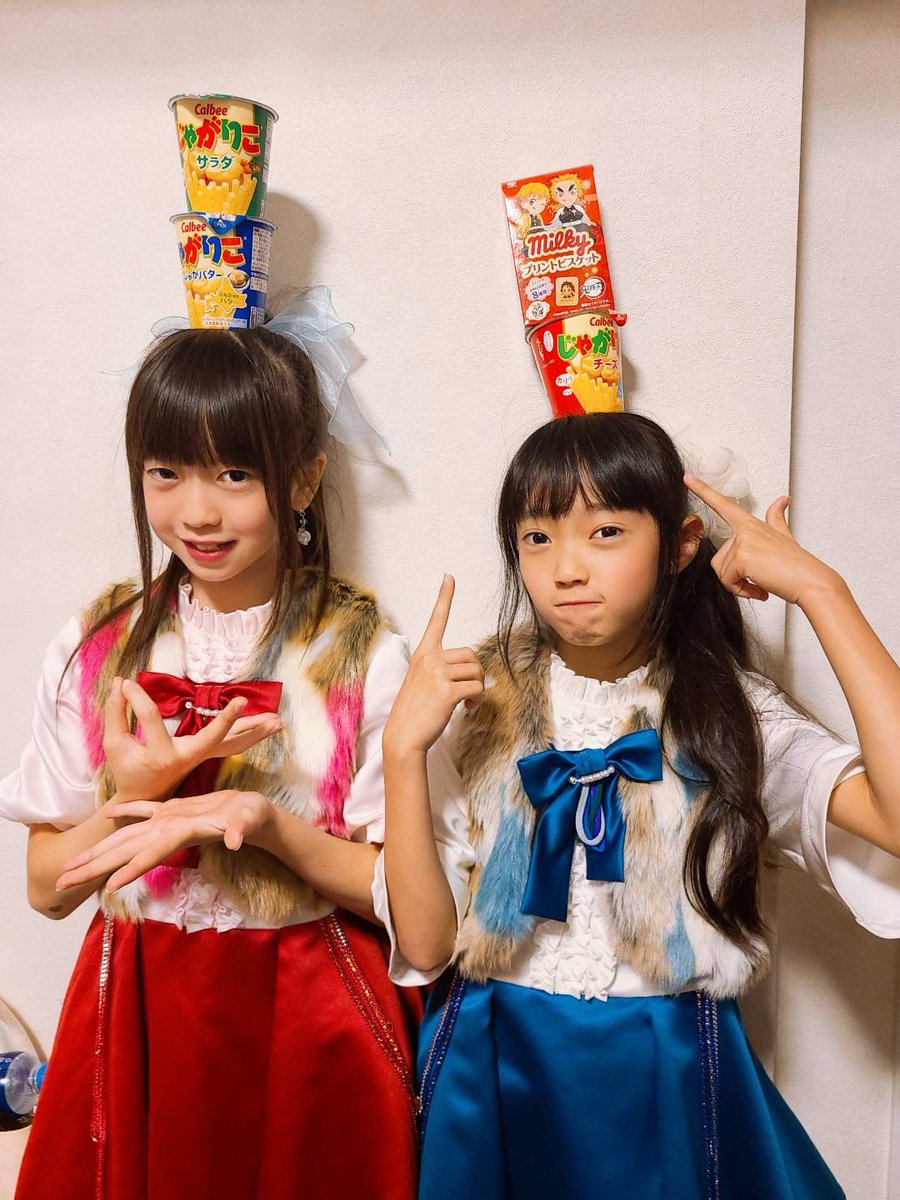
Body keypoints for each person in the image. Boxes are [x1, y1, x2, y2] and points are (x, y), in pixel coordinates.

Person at [380, 411, 900, 1200]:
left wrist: (823, 593)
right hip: (494, 1068)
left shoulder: (731, 716)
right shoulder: (472, 702)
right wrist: (401, 751)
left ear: (682, 544)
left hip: (667, 1070)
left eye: (606, 533)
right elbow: (423, 945)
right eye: (538, 537)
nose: (567, 569)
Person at [0, 295, 432, 1200]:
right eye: (166, 472)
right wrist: (138, 796)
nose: (197, 511)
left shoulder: (362, 656)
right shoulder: (101, 646)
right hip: (139, 1009)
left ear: (304, 481)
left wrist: (268, 825)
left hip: (309, 1014)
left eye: (235, 473)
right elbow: (45, 888)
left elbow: (406, 899)